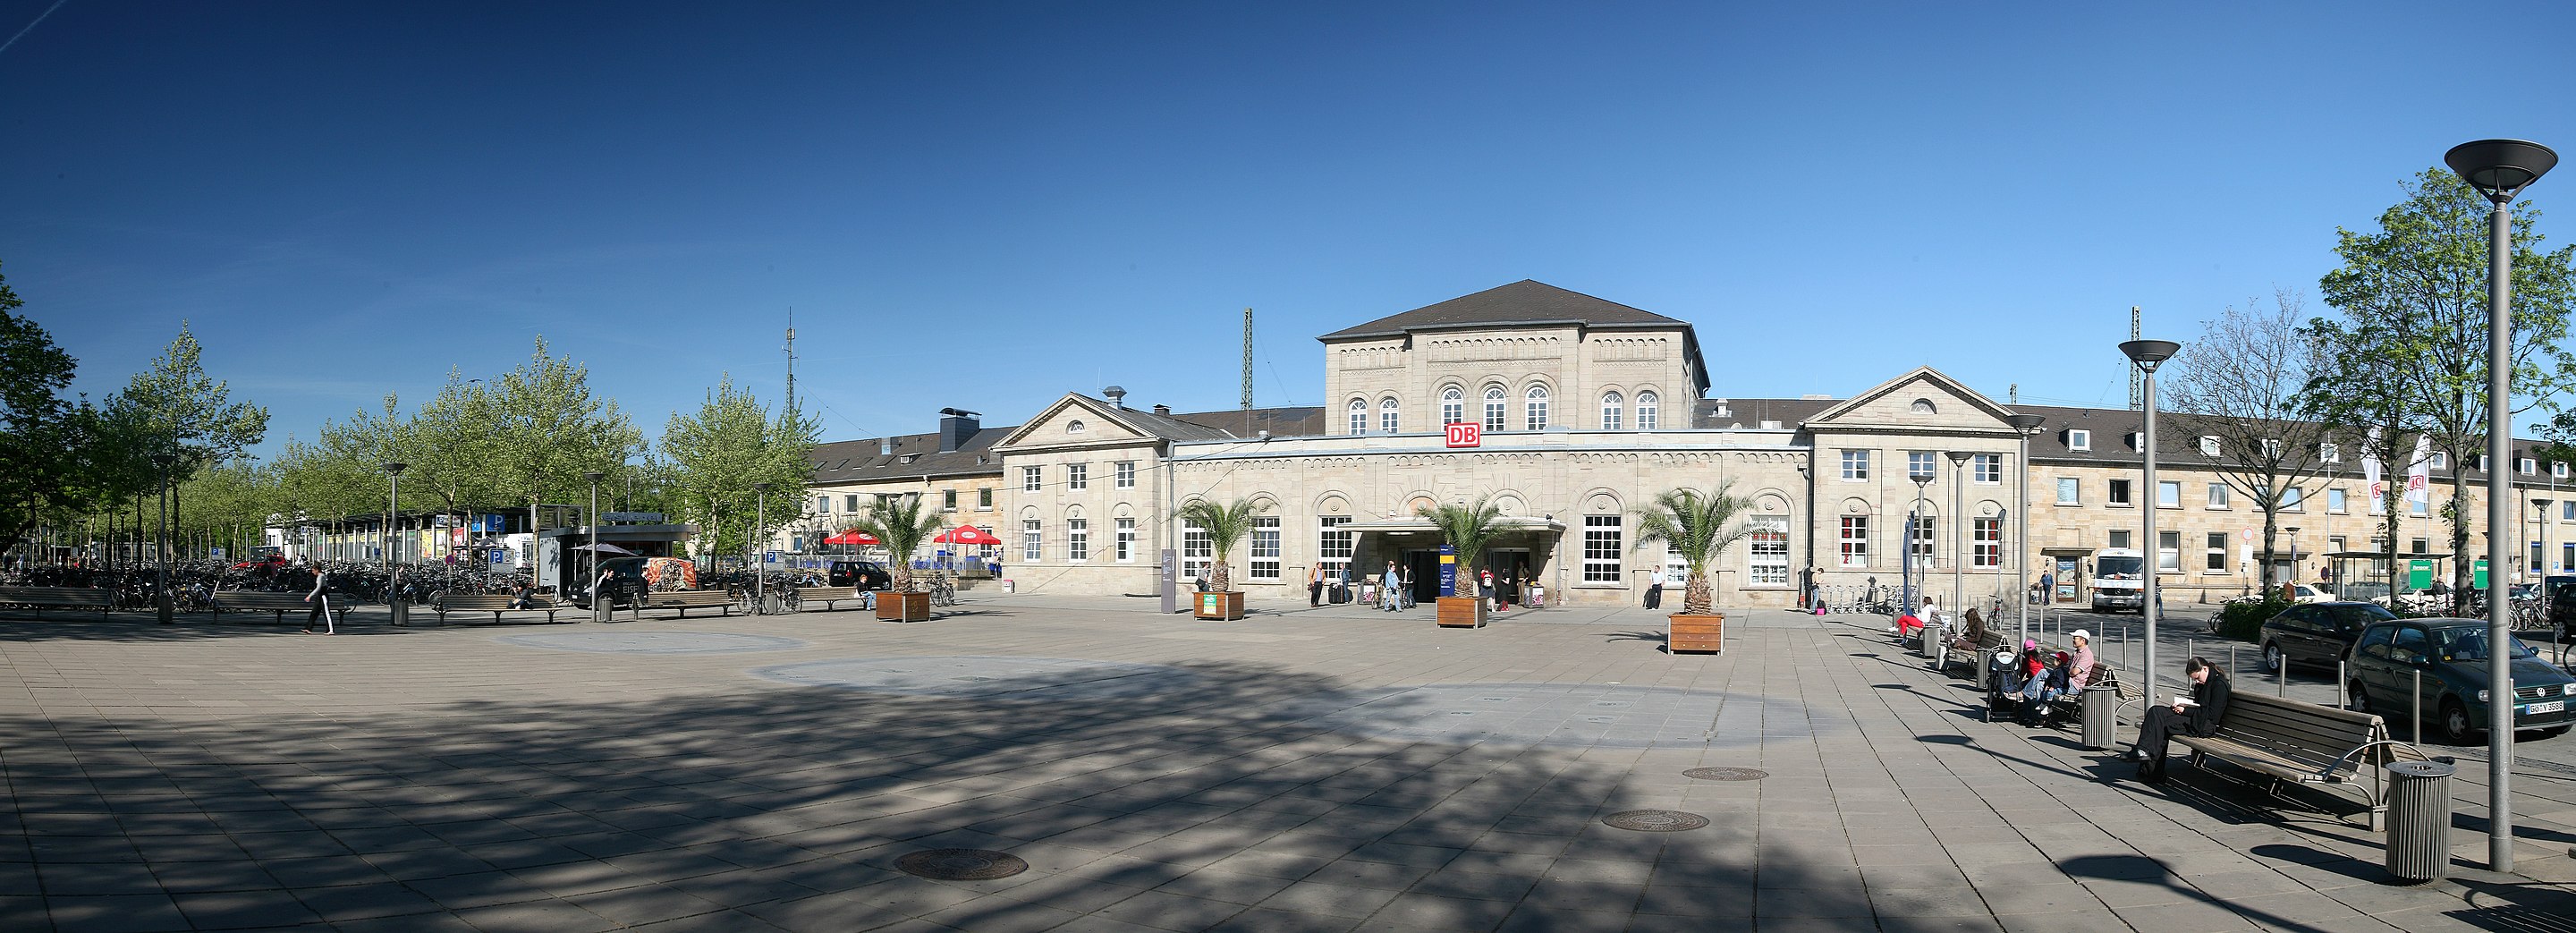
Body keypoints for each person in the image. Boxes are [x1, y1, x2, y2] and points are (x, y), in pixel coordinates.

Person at [2125, 656, 2233, 783]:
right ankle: (2143, 750)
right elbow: (2199, 706)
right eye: (2194, 680)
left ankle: (2150, 770)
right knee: (2156, 711)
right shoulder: (2206, 682)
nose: (2197, 682)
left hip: (2203, 726)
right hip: (2195, 718)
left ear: (2205, 669)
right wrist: (2182, 706)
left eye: (2197, 678)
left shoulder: (2219, 685)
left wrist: (2185, 710)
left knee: (2162, 724)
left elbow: (2212, 715)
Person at [301, 564, 335, 634]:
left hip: (323, 596)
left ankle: (331, 630)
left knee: (326, 613)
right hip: (319, 597)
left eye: (313, 570)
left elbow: (318, 588)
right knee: (314, 613)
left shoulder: (320, 577)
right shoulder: (322, 576)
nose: (312, 572)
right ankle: (308, 628)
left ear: (317, 570)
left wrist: (309, 596)